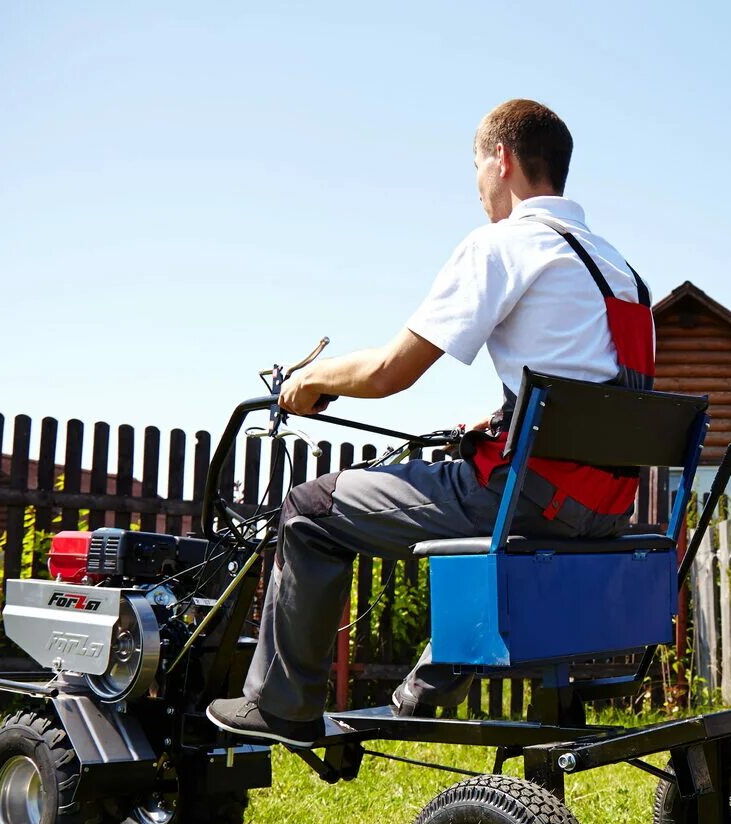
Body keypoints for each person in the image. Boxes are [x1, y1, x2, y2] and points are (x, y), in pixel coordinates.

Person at [207, 99, 654, 746]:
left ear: (501, 160)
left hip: (523, 501)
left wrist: (311, 382)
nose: (477, 188)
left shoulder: (504, 245)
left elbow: (390, 371)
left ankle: (281, 705)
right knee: (489, 544)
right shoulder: (622, 272)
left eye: (476, 167)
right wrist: (505, 420)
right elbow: (593, 390)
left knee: (308, 510)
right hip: (608, 510)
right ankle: (417, 698)